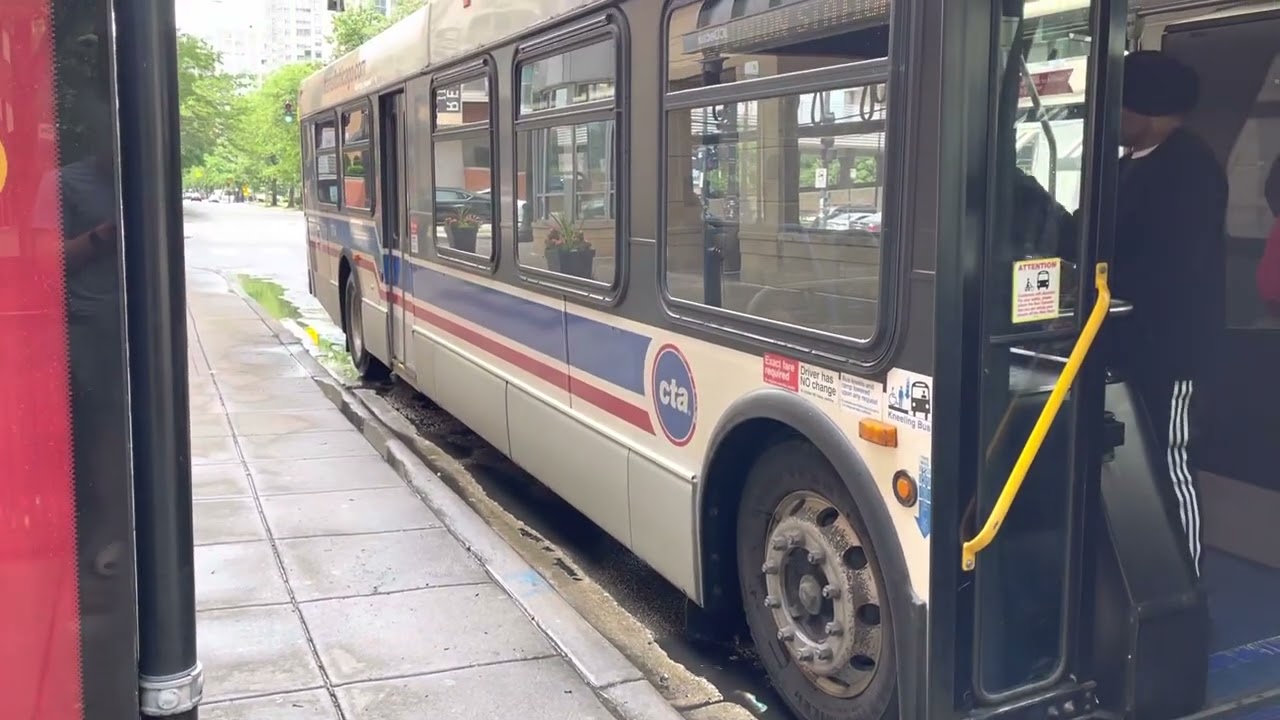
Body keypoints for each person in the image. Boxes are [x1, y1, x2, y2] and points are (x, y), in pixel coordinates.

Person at [1109, 50, 1228, 575]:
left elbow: (1170, 263)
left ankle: (1188, 580)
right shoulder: (1123, 166)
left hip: (1169, 351)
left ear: (1146, 110)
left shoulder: (1190, 169)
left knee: (1169, 458)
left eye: (1119, 106)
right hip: (1122, 342)